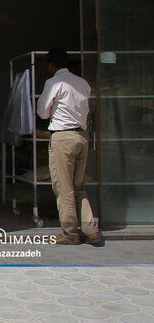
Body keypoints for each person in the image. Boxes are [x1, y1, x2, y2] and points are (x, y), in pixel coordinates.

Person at [37, 48, 104, 247]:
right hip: (82, 137)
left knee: (63, 187)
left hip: (63, 137)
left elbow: (42, 113)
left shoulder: (54, 83)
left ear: (51, 65)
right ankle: (91, 231)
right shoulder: (83, 83)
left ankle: (70, 233)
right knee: (79, 187)